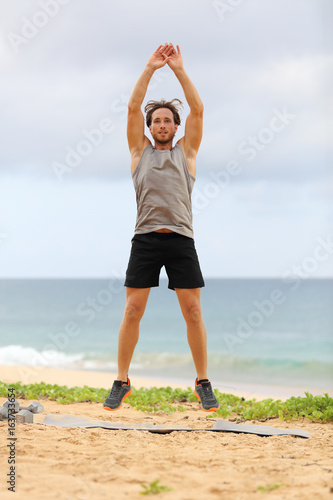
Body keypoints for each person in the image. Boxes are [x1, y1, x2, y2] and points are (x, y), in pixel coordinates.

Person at [103, 43, 220, 412]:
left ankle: (202, 381)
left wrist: (179, 70)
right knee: (132, 311)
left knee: (194, 313)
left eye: (168, 120)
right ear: (151, 127)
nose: (162, 124)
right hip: (146, 240)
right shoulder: (140, 154)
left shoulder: (187, 154)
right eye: (157, 121)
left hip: (182, 240)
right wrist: (151, 68)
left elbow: (199, 109)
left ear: (175, 126)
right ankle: (122, 380)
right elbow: (132, 107)